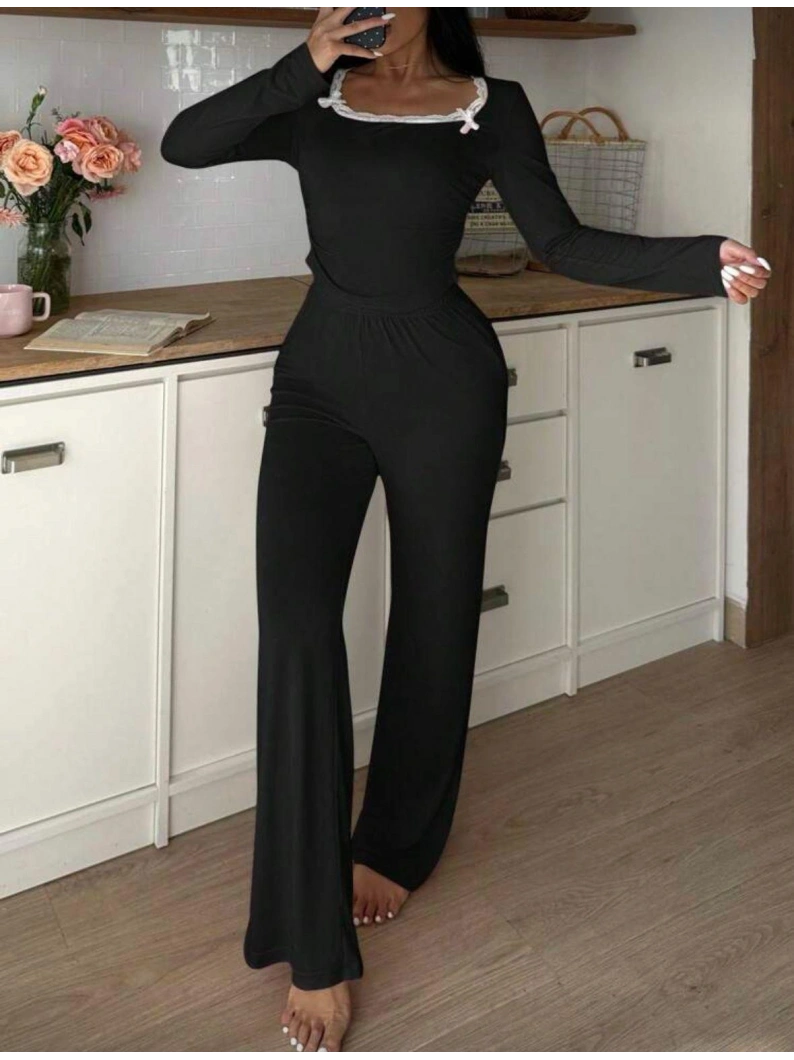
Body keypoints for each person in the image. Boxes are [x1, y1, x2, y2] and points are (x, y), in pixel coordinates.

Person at [160, 4, 770, 1053]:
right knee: (297, 629)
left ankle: (397, 841)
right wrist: (303, 62)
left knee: (434, 617)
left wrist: (699, 260)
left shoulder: (492, 107)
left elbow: (561, 241)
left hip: (444, 385)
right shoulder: (315, 98)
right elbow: (185, 142)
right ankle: (312, 943)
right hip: (317, 385)